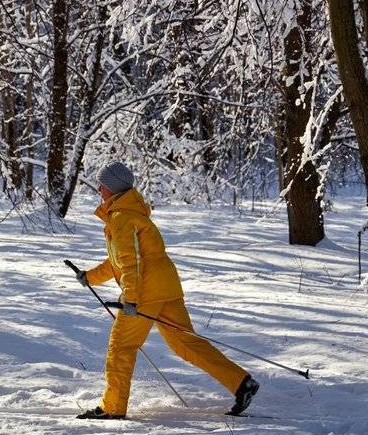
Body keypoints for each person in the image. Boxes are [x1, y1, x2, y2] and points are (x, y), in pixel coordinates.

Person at [75, 162, 259, 419]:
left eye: (102, 186)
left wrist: (130, 298)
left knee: (121, 347)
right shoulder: (132, 213)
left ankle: (113, 407)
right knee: (186, 343)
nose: (99, 190)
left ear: (112, 188)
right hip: (166, 287)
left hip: (146, 292)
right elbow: (120, 261)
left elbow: (131, 263)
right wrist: (90, 277)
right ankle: (241, 383)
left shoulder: (121, 218)